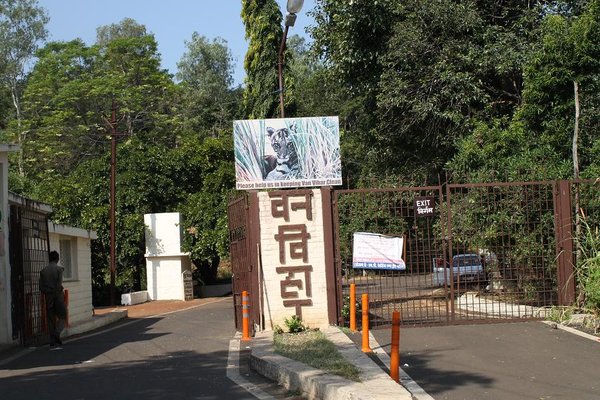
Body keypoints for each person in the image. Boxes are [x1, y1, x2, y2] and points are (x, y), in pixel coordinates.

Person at [39, 251, 67, 349]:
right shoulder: (59, 269)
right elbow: (59, 285)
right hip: (58, 297)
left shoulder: (43, 271)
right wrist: (55, 293)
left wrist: (48, 293)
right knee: (63, 316)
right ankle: (56, 333)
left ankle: (52, 341)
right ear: (57, 259)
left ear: (49, 259)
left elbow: (41, 287)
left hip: (48, 297)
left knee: (51, 319)